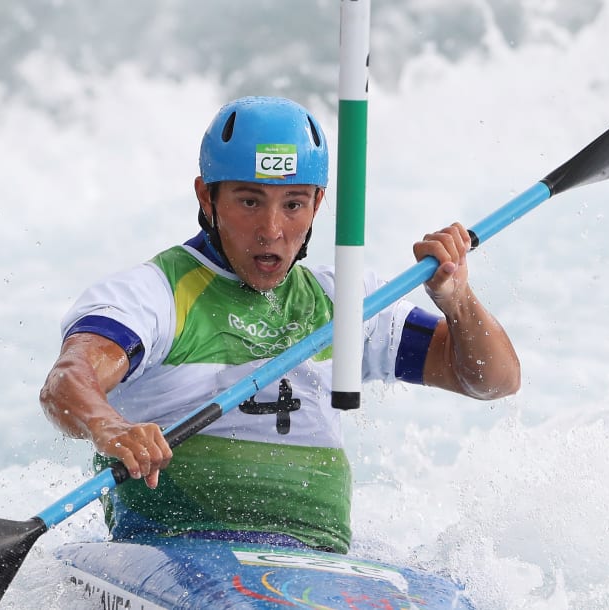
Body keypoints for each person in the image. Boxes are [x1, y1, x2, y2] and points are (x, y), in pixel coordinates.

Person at [39, 96, 520, 554]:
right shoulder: (152, 295)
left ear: (317, 203)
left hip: (318, 561)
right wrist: (111, 427)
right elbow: (66, 382)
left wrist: (457, 302)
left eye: (293, 204)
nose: (272, 229)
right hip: (173, 549)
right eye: (250, 202)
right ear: (208, 197)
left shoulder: (342, 302)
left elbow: (493, 381)